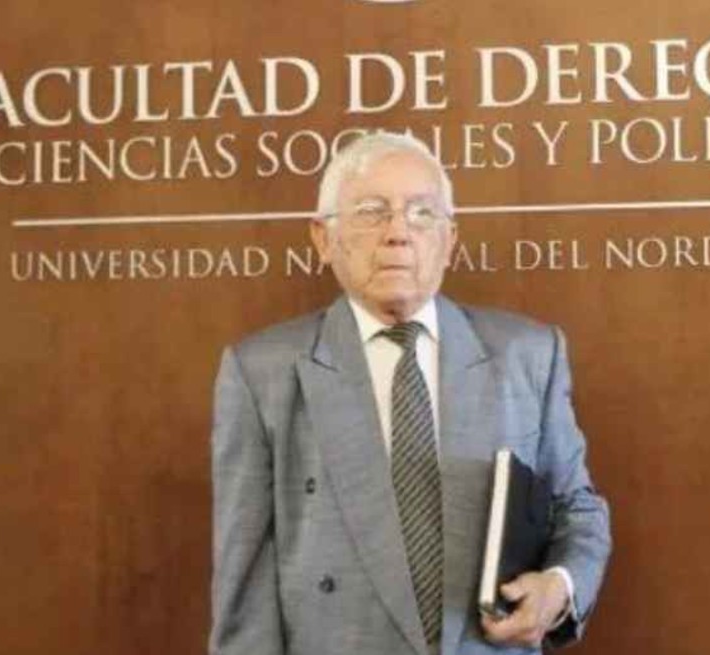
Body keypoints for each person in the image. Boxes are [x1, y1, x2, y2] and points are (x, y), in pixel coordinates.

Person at [210, 132, 611, 655]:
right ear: (323, 237)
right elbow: (245, 591)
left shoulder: (528, 355)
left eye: (421, 213)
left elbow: (577, 508)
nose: (398, 232)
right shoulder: (261, 372)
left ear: (450, 239)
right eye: (372, 212)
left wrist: (559, 585)